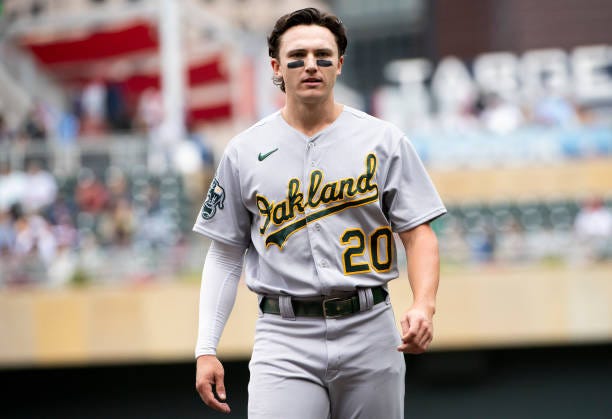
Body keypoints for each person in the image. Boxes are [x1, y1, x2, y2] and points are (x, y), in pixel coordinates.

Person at [193, 8, 446, 418]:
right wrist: (206, 347)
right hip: (284, 332)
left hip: (369, 325)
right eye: (297, 55)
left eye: (323, 54)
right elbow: (224, 252)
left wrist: (424, 305)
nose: (311, 64)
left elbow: (419, 234)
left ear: (339, 64)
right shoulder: (243, 150)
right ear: (276, 66)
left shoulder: (383, 140)